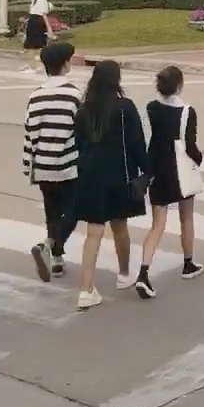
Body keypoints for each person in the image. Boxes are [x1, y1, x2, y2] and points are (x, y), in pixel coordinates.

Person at [68, 59, 148, 310]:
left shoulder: (84, 109)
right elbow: (137, 143)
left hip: (90, 175)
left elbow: (78, 143)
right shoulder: (124, 107)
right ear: (116, 80)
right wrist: (148, 171)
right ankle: (124, 274)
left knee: (93, 232)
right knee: (120, 227)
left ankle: (86, 289)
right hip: (119, 175)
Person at [136, 65, 204, 297]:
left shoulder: (151, 108)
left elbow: (146, 138)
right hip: (180, 172)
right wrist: (198, 160)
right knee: (186, 217)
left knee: (157, 225)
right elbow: (191, 146)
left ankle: (143, 272)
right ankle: (188, 262)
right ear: (179, 85)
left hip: (157, 171)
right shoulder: (187, 111)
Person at [24, 43, 82, 283]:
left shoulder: (35, 96)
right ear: (65, 64)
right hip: (68, 165)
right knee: (74, 209)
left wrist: (28, 165)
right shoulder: (74, 95)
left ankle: (56, 259)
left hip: (43, 166)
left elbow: (30, 134)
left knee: (52, 212)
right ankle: (50, 246)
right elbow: (81, 130)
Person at [20, 0, 53, 72]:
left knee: (37, 46)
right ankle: (29, 65)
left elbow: (44, 15)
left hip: (38, 22)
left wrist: (49, 28)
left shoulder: (42, 0)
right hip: (32, 21)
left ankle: (36, 66)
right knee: (28, 45)